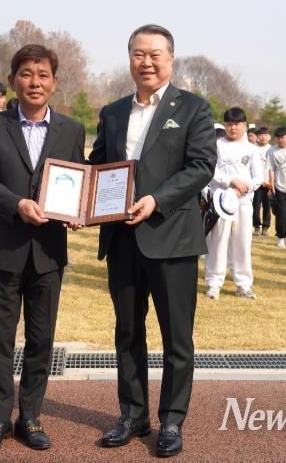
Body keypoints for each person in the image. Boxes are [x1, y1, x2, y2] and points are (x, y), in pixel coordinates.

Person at [89, 24, 216, 458]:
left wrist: (156, 199)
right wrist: (75, 202)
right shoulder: (112, 112)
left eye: (154, 54)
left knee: (176, 336)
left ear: (170, 59)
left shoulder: (194, 108)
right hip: (121, 239)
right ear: (129, 59)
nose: (146, 62)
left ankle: (172, 421)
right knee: (127, 331)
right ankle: (132, 414)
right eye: (138, 54)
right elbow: (98, 167)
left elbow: (201, 166)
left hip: (172, 237)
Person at [0, 44, 85, 453]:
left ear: (54, 82)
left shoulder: (72, 129)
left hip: (49, 252)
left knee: (41, 339)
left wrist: (78, 211)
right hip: (5, 248)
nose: (35, 82)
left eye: (43, 75)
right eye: (26, 74)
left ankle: (31, 416)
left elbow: (78, 178)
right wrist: (16, 204)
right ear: (12, 80)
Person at [204, 107, 262, 300]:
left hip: (243, 202)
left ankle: (243, 284)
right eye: (229, 124)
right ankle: (214, 283)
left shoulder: (252, 149)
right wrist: (231, 182)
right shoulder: (216, 145)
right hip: (220, 201)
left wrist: (243, 188)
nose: (233, 128)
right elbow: (210, 170)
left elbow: (258, 178)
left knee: (242, 243)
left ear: (244, 125)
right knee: (217, 242)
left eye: (237, 124)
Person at [252, 127, 272, 236]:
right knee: (255, 206)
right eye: (260, 135)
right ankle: (256, 227)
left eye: (265, 135)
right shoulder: (253, 149)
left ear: (269, 137)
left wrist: (270, 182)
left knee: (267, 207)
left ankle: (265, 227)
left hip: (268, 183)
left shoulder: (272, 150)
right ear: (257, 137)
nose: (263, 137)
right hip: (256, 183)